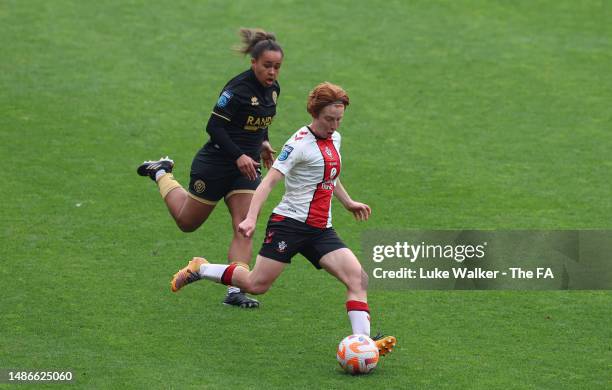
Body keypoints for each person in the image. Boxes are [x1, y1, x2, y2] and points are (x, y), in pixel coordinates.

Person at [170, 82, 397, 355]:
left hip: (320, 230)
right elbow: (267, 183)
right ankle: (202, 268)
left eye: (339, 119)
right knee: (256, 284)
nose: (334, 125)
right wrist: (251, 218)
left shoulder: (335, 138)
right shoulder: (298, 144)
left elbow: (329, 175)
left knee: (358, 279)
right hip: (288, 226)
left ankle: (362, 344)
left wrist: (348, 202)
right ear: (315, 113)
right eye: (329, 119)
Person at [137, 28, 283, 308]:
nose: (272, 72)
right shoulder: (236, 90)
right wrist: (238, 154)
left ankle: (234, 291)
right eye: (267, 66)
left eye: (277, 67)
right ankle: (161, 172)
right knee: (187, 223)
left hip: (246, 169)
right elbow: (214, 127)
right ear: (253, 62)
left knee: (245, 227)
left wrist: (263, 143)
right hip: (216, 164)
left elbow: (260, 122)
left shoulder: (273, 90)